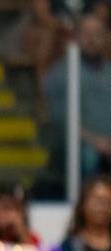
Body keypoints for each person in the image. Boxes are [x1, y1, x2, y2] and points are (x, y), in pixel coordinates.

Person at [45, 16, 111, 177]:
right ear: (77, 37)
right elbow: (62, 119)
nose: (91, 40)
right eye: (86, 34)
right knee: (88, 157)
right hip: (77, 145)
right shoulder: (62, 72)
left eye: (96, 34)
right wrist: (96, 141)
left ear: (105, 38)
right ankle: (84, 201)